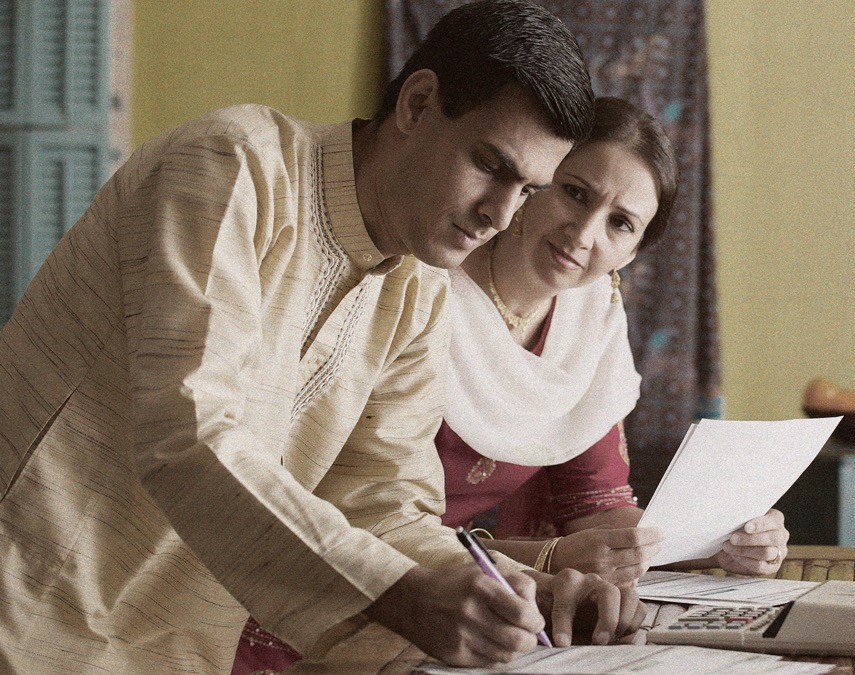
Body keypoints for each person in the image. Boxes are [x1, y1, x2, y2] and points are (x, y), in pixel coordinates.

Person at [0, 2, 641, 673]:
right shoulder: (233, 169)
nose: (500, 215)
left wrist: (518, 594)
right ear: (418, 104)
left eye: (528, 190)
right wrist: (401, 593)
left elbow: (383, 504)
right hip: (28, 616)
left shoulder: (418, 285)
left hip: (178, 652)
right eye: (490, 165)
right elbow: (189, 435)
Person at [435, 96, 791, 588]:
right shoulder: (425, 287)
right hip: (379, 568)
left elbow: (596, 506)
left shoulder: (590, 321)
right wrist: (547, 559)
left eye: (620, 223)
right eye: (575, 193)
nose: (584, 234)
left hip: (483, 584)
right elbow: (371, 520)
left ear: (632, 252)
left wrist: (724, 541)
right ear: (534, 181)